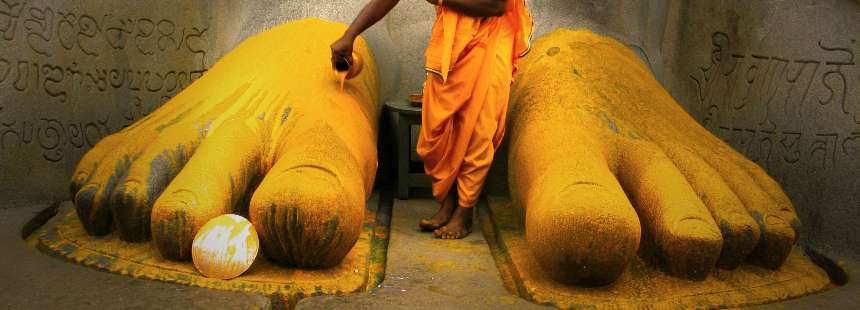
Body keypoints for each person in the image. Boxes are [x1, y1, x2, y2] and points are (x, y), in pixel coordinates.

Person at [332, 0, 533, 239]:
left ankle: (465, 210)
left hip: (491, 40)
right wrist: (350, 35)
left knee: (479, 128)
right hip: (451, 45)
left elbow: (496, 7)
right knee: (437, 131)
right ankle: (448, 203)